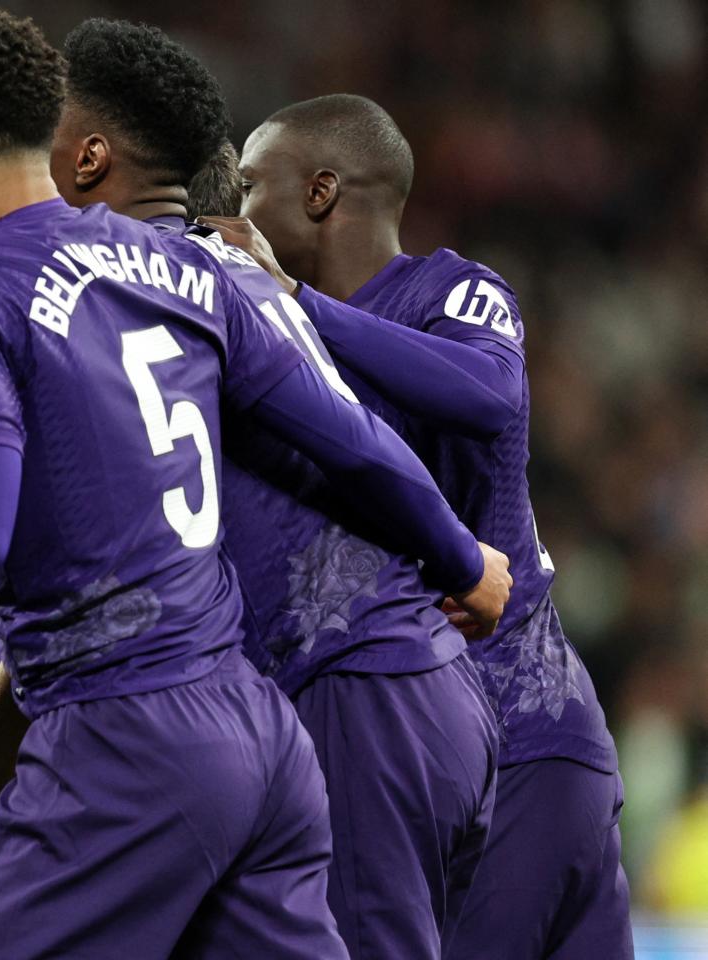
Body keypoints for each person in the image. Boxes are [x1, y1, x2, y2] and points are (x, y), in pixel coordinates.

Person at [0, 11, 509, 958]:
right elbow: (349, 439)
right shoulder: (184, 263)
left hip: (124, 742)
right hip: (264, 741)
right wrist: (461, 556)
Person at [38, 21, 500, 958]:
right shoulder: (208, 284)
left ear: (88, 155)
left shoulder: (187, 287)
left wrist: (462, 559)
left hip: (357, 679)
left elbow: (362, 443)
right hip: (345, 698)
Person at [223, 93, 632, 960]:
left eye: (251, 184)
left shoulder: (453, 289)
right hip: (448, 750)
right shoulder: (267, 354)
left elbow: (489, 394)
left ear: (321, 192)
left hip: (517, 732)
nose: (237, 210)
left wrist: (296, 302)